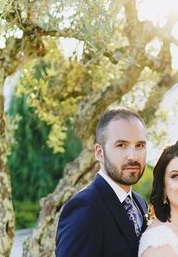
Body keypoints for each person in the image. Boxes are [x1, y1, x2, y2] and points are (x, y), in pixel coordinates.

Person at [55, 107, 149, 257]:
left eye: (140, 145)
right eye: (121, 145)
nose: (133, 156)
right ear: (99, 153)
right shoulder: (84, 207)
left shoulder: (140, 203)